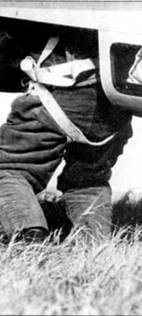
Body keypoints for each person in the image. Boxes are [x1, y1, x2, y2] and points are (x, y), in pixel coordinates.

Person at [0, 25, 132, 243]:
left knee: (8, 168)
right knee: (88, 180)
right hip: (115, 106)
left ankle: (29, 238)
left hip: (62, 95)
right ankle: (95, 248)